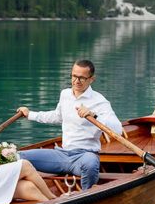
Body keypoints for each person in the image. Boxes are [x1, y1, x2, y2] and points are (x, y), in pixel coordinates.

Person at [17, 59, 122, 190]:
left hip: (84, 156)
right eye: (74, 76)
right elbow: (57, 116)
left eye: (82, 78)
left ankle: (86, 198)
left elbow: (118, 130)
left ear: (91, 79)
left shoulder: (100, 102)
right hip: (61, 155)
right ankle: (35, 194)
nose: (76, 81)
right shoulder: (65, 94)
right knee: (18, 157)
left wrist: (94, 115)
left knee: (90, 165)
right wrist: (30, 114)